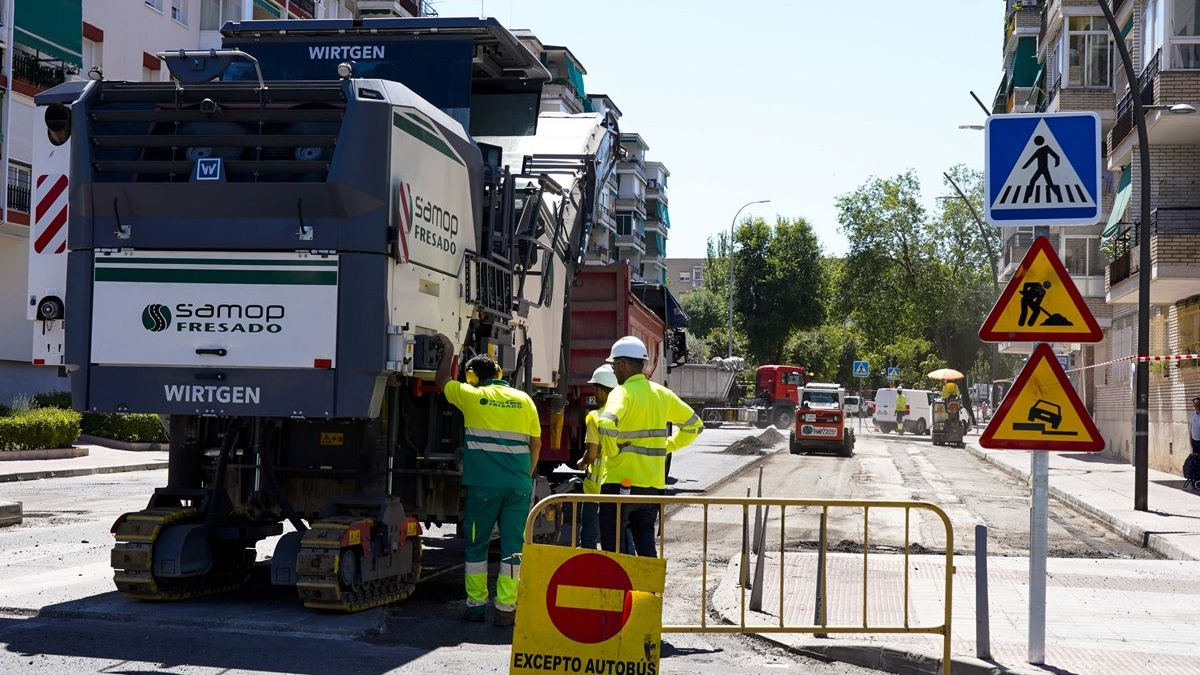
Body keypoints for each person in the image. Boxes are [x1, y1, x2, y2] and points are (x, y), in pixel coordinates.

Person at [435, 334, 541, 628]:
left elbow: (441, 381)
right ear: (499, 374)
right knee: (513, 548)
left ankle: (476, 606)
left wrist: (448, 349)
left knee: (476, 545)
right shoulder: (525, 399)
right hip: (518, 486)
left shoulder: (471, 396)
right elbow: (536, 444)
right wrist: (525, 475)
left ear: (472, 377)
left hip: (484, 488)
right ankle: (506, 609)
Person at [597, 336, 703, 556]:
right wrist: (668, 445)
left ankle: (620, 590)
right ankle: (648, 591)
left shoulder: (622, 393)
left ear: (623, 365)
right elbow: (695, 425)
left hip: (620, 485)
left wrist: (612, 450)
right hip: (652, 487)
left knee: (614, 552)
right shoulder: (661, 394)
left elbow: (606, 422)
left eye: (614, 366)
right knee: (646, 549)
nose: (614, 371)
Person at [577, 364, 619, 549]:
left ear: (602, 391)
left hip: (595, 489)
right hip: (618, 485)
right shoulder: (623, 414)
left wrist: (582, 462)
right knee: (618, 537)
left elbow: (592, 453)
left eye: (595, 388)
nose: (594, 392)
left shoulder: (594, 416)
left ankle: (588, 575)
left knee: (589, 537)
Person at [1186, 397, 1200, 490]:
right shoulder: (1193, 414)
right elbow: (1191, 427)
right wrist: (1190, 439)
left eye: (1197, 404)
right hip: (1195, 440)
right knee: (1196, 459)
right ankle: (1196, 477)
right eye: (1194, 405)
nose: (1195, 406)